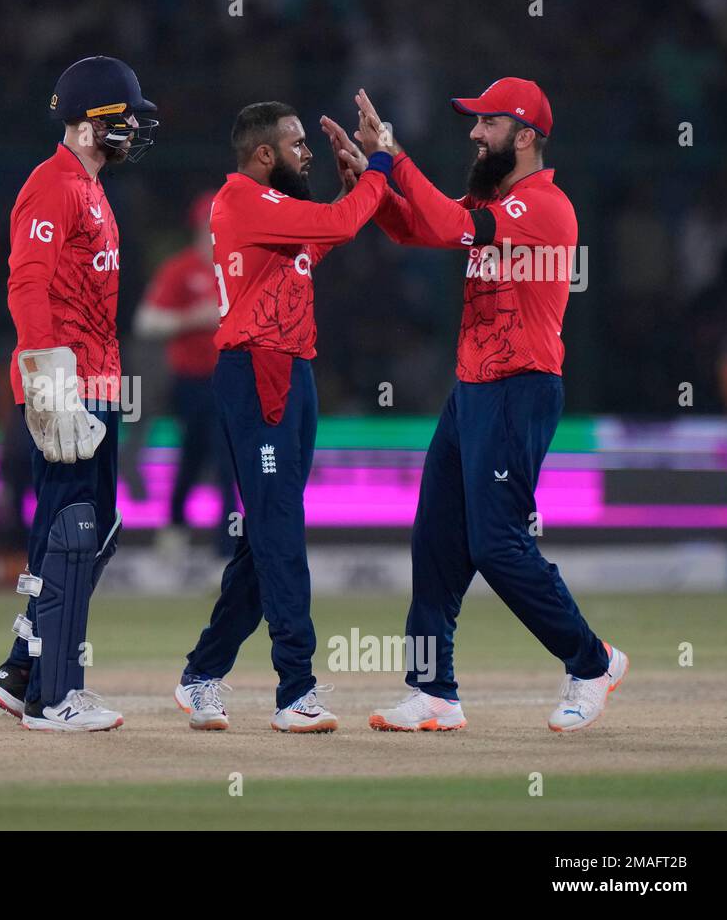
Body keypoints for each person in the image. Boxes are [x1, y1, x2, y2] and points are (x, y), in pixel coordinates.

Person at [324, 80, 628, 733]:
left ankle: (592, 661)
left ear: (524, 136)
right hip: (474, 390)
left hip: (521, 387)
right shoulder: (500, 199)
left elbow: (445, 222)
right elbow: (417, 229)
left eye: (485, 123)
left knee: (496, 543)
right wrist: (369, 188)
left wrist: (392, 156)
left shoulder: (544, 206)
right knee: (435, 539)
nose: (473, 133)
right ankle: (433, 690)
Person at [174, 102, 394, 733]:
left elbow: (310, 250)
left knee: (267, 535)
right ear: (263, 154)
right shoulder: (241, 199)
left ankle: (201, 674)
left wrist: (356, 185)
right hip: (257, 371)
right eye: (297, 145)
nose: (307, 153)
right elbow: (337, 224)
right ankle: (295, 687)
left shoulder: (267, 213)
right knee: (280, 533)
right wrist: (377, 164)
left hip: (293, 369)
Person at [0, 55, 157, 732]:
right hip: (65, 382)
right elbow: (26, 283)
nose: (134, 126)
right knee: (71, 532)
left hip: (97, 382)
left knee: (94, 530)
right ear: (86, 124)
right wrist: (48, 379)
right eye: (122, 116)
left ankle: (22, 668)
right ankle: (54, 696)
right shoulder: (52, 185)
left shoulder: (90, 187)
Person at [134, 191, 236, 557]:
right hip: (192, 382)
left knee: (228, 459)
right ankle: (176, 527)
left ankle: (227, 547)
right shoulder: (181, 269)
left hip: (232, 379)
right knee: (194, 455)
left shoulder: (238, 266)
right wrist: (194, 318)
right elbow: (147, 321)